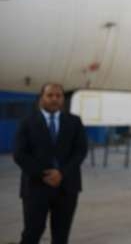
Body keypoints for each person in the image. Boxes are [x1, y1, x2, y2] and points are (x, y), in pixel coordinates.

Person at [13, 83, 88, 244]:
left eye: (58, 96)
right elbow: (19, 154)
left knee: (61, 236)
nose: (54, 99)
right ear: (42, 98)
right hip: (36, 187)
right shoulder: (27, 122)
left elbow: (80, 151)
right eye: (50, 95)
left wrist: (61, 173)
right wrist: (43, 174)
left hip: (67, 187)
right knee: (31, 233)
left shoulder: (74, 121)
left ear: (63, 99)